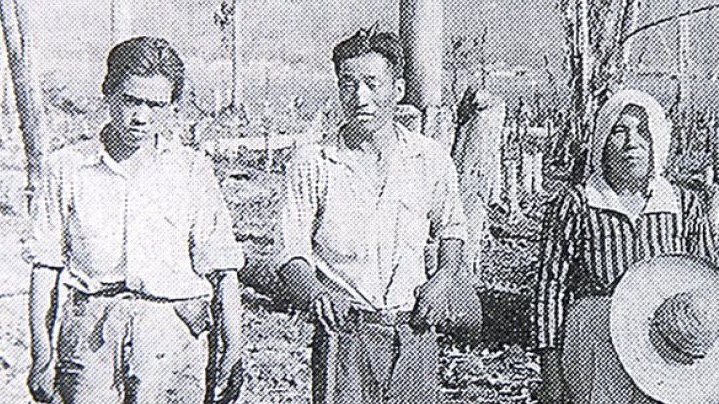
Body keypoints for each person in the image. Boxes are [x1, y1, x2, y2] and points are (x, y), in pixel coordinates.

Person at [26, 36, 244, 404]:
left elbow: (222, 268)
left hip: (173, 333)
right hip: (91, 334)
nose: (141, 117)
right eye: (130, 100)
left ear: (172, 107)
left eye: (155, 105)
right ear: (108, 94)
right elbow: (45, 265)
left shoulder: (191, 170)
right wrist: (41, 353)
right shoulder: (67, 168)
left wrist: (233, 347)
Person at [276, 28, 478, 404]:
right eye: (348, 85)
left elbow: (451, 226)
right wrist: (317, 293)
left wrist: (445, 276)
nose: (360, 97)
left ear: (397, 89)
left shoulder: (429, 159)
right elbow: (291, 252)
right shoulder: (313, 162)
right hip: (345, 333)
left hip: (414, 330)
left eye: (372, 83)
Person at [535, 89, 715, 403]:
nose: (633, 142)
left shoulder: (683, 206)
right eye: (619, 131)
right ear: (602, 142)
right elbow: (551, 289)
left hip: (663, 346)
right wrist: (551, 371)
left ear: (657, 141)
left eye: (643, 130)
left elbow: (707, 289)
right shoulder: (577, 204)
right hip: (595, 341)